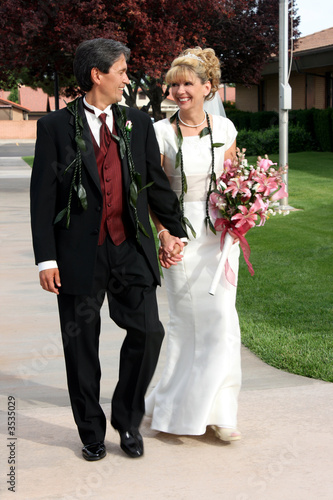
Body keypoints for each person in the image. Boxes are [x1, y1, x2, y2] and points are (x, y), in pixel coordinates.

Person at [30, 38, 186, 461]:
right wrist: (46, 258)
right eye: (120, 70)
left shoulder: (137, 122)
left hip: (129, 247)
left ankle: (126, 419)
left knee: (149, 332)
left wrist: (173, 231)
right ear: (97, 75)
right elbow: (42, 198)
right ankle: (91, 432)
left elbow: (154, 183)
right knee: (81, 347)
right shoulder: (55, 127)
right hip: (78, 255)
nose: (126, 78)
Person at [146, 47, 242, 442]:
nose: (180, 90)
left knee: (223, 319)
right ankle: (176, 409)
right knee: (187, 324)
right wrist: (165, 234)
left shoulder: (225, 130)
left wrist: (244, 213)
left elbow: (237, 182)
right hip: (180, 236)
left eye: (188, 83)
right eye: (175, 83)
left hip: (220, 236)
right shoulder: (160, 132)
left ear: (209, 87)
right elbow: (152, 191)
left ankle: (222, 413)